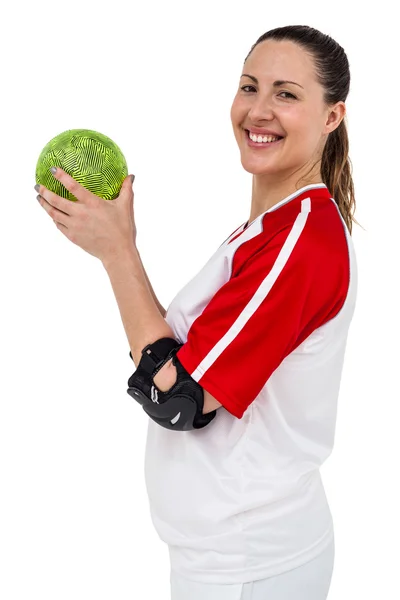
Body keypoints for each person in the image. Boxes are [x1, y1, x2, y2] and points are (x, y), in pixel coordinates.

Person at [143, 24, 359, 600]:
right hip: (228, 558)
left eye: (286, 94)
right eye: (249, 87)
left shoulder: (299, 242)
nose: (258, 111)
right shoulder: (270, 231)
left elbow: (179, 399)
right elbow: (184, 361)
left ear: (332, 117)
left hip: (249, 565)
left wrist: (116, 250)